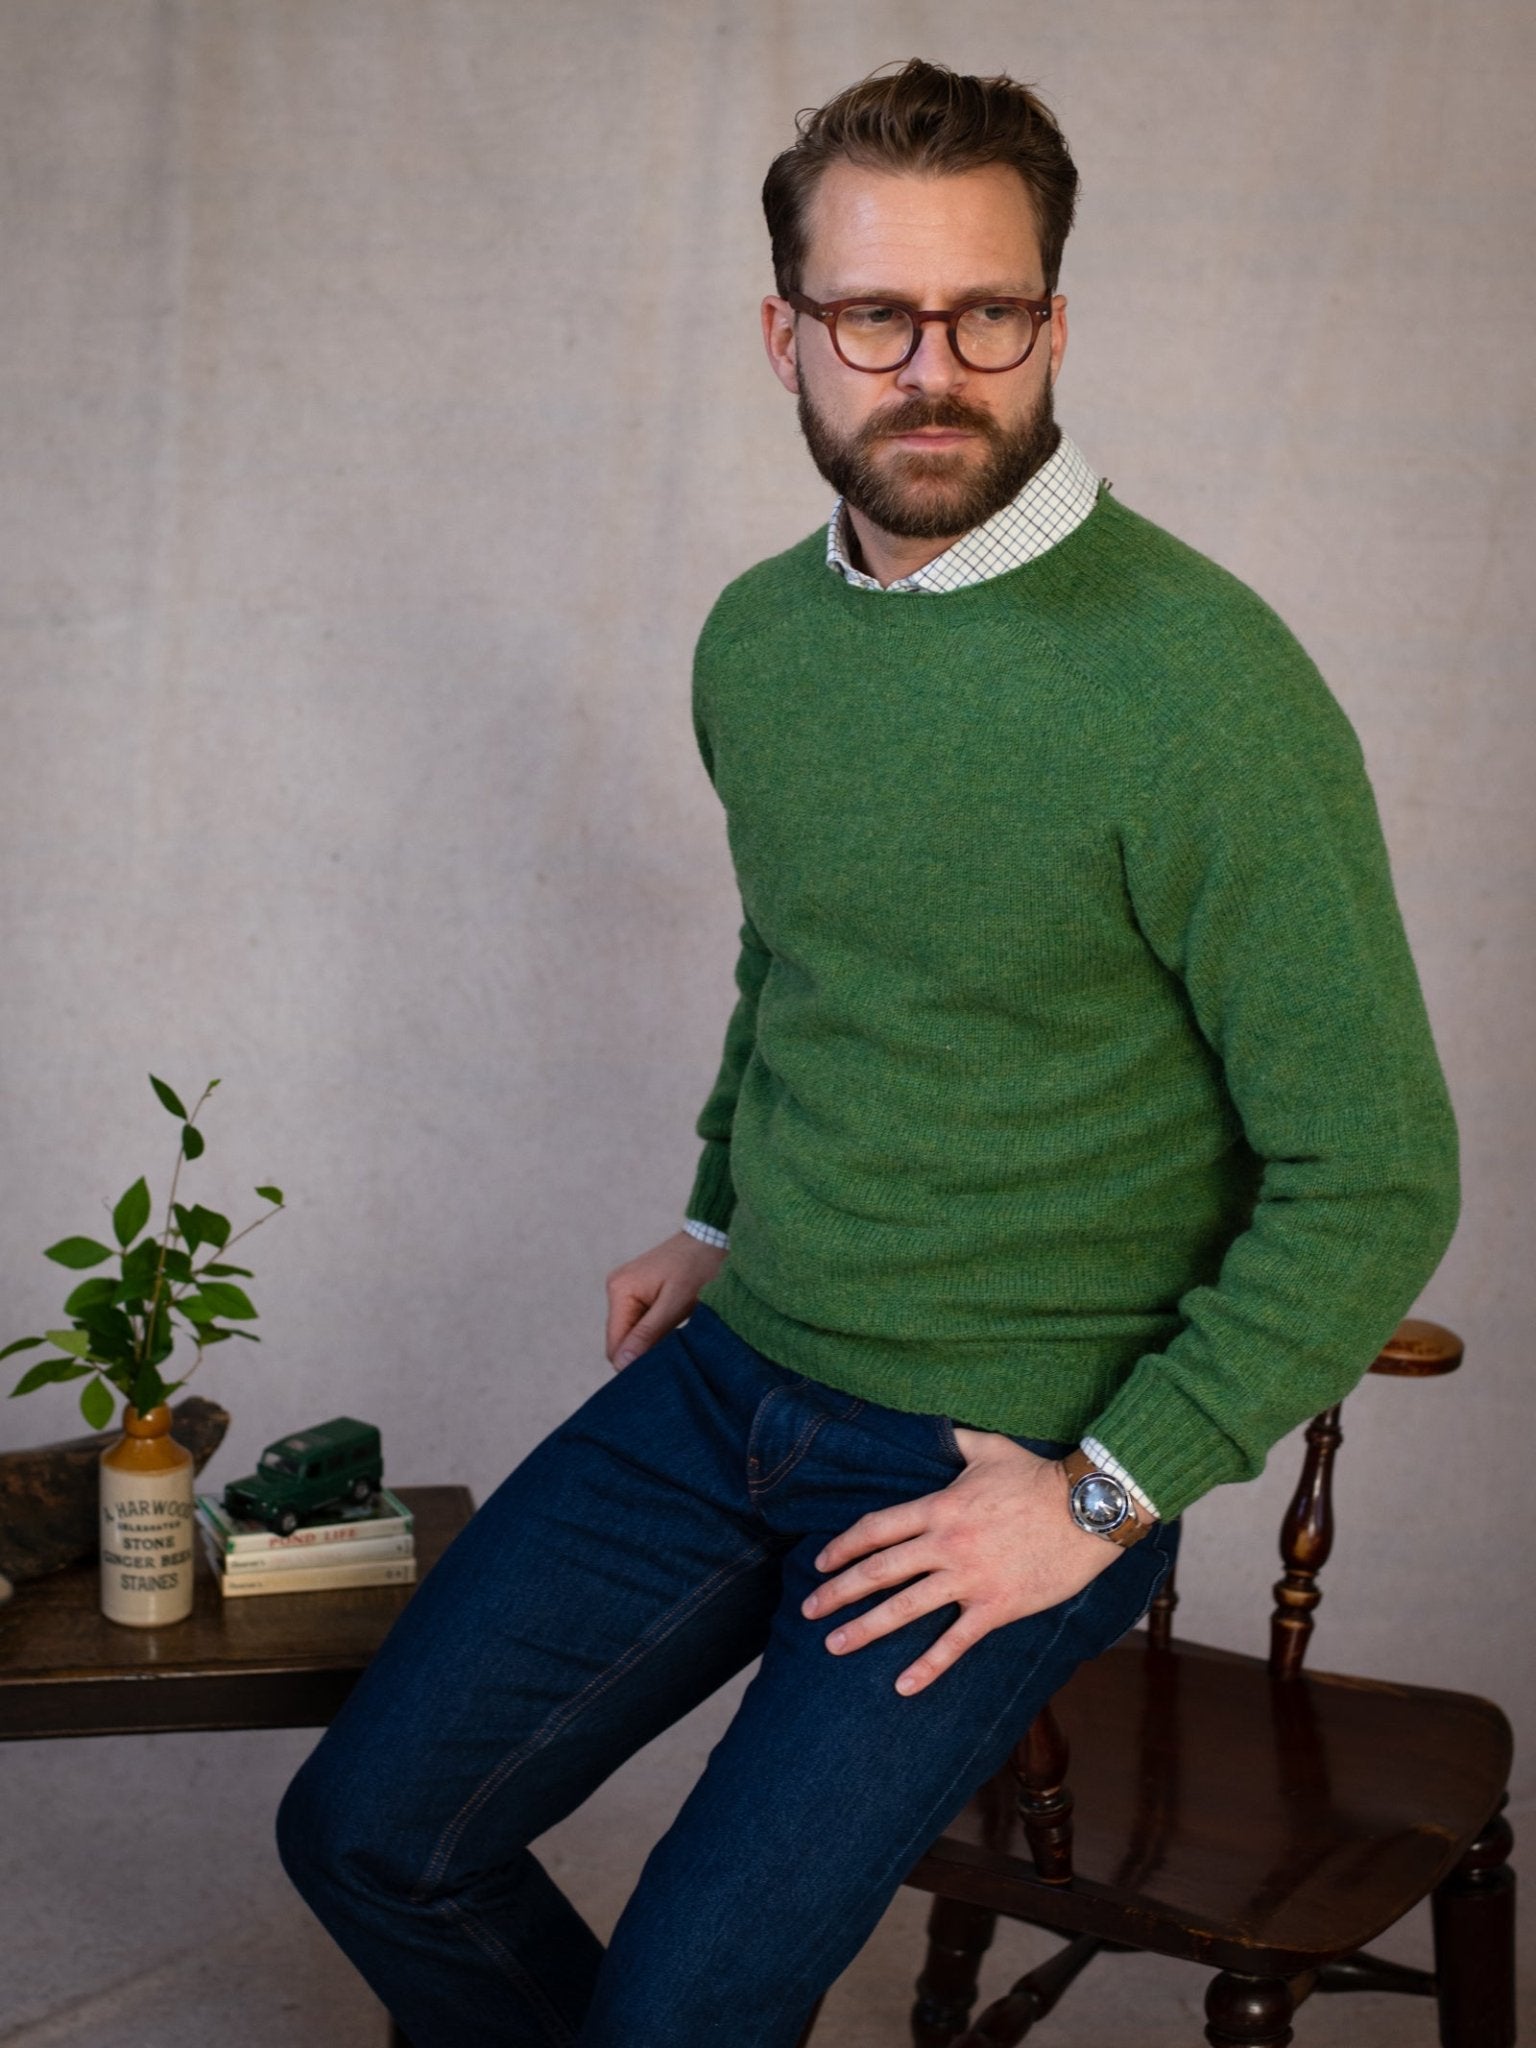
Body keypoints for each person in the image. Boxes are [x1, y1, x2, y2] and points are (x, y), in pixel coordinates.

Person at [275, 59, 1460, 2047]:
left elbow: (1381, 1171)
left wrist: (1098, 1495)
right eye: (874, 316)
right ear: (785, 336)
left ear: (1055, 323)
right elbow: (799, 954)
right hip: (742, 1372)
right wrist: (714, 1204)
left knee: (682, 2010)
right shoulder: (760, 640)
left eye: (988, 312)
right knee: (364, 1834)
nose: (936, 369)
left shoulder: (1206, 693)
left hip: (990, 1457)